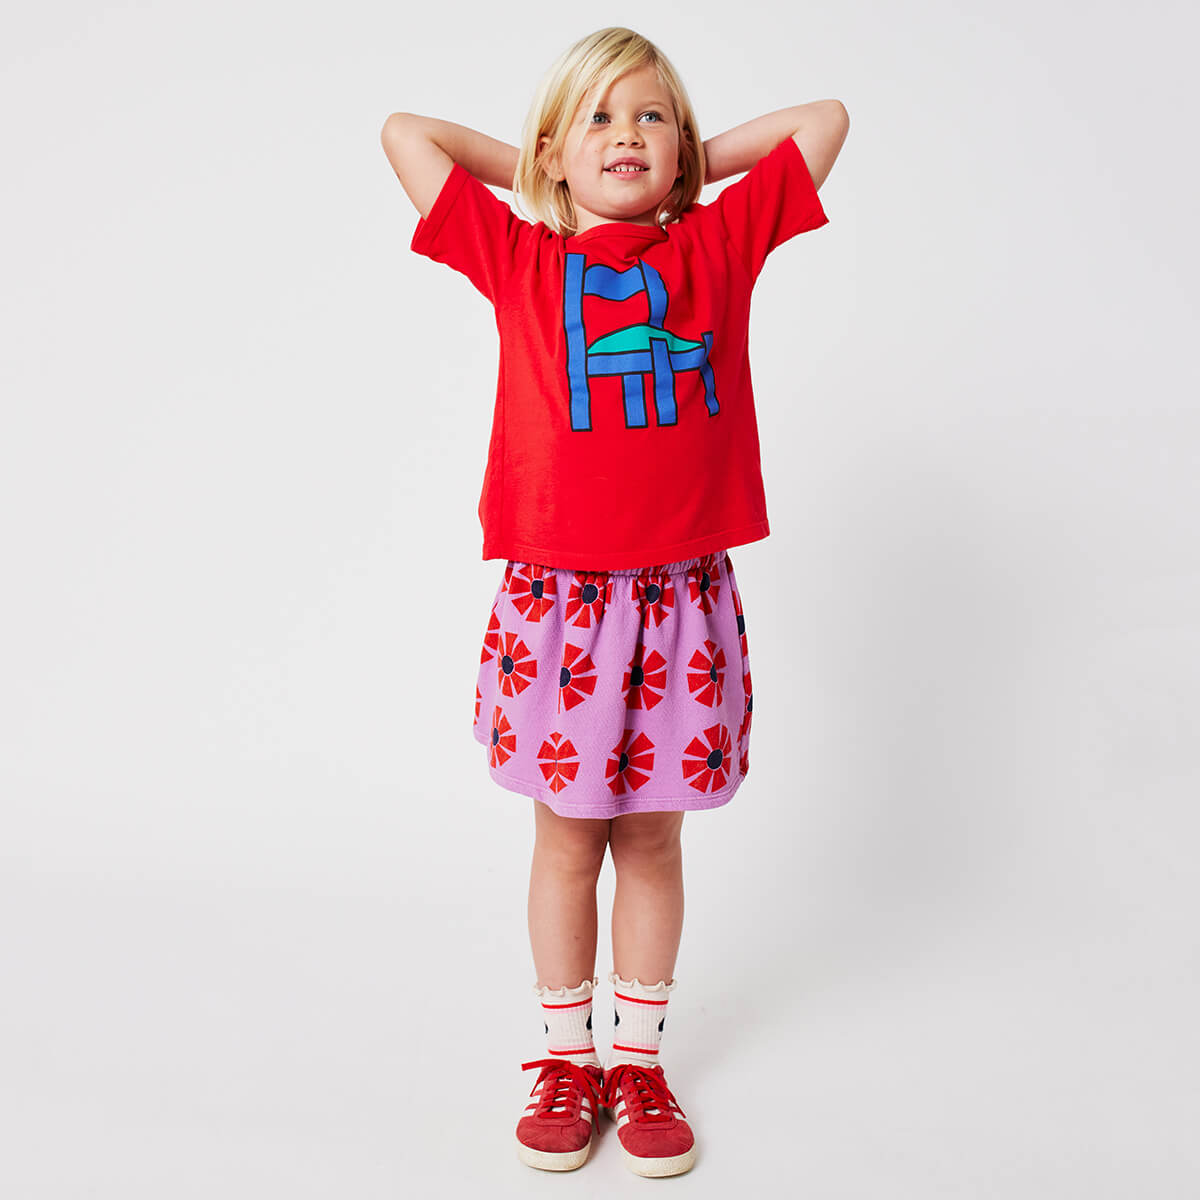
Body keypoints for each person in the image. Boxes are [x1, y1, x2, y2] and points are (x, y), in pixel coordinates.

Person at [380, 26, 848, 1178]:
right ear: (553, 149)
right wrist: (544, 174)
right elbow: (407, 134)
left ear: (682, 149)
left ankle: (637, 1061)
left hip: (681, 603)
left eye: (650, 119)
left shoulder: (717, 245)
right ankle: (564, 1059)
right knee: (565, 835)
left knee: (650, 836)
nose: (626, 135)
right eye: (598, 118)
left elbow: (823, 121)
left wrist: (688, 171)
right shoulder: (521, 258)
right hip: (562, 611)